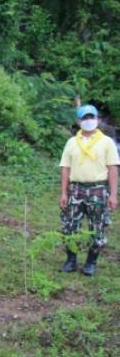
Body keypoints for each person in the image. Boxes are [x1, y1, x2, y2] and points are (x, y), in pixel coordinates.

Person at [59, 104, 119, 276]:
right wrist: (63, 193)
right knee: (69, 225)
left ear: (97, 119)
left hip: (98, 190)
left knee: (97, 227)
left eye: (91, 117)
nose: (88, 121)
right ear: (79, 121)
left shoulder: (106, 142)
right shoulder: (71, 142)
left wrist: (113, 195)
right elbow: (65, 168)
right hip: (75, 190)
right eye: (85, 118)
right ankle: (71, 260)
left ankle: (91, 262)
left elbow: (113, 169)